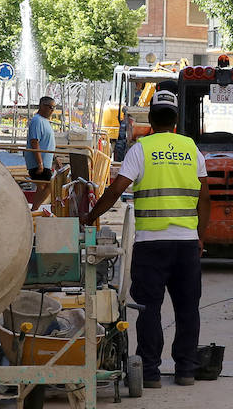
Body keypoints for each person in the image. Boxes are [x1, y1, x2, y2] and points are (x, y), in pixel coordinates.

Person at [81, 90, 209, 388]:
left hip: (151, 244)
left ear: (150, 119)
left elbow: (116, 190)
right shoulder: (191, 149)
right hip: (186, 243)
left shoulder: (142, 149)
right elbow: (206, 197)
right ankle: (186, 371)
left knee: (149, 308)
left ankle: (150, 373)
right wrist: (201, 235)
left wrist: (89, 217)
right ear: (176, 119)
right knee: (188, 308)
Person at [25, 95, 57, 181]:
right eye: (50, 107)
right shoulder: (37, 120)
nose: (52, 110)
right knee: (46, 188)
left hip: (46, 163)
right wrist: (40, 164)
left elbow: (48, 142)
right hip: (39, 164)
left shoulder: (45, 121)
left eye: (54, 107)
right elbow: (34, 142)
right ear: (42, 106)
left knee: (47, 188)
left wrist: (55, 159)